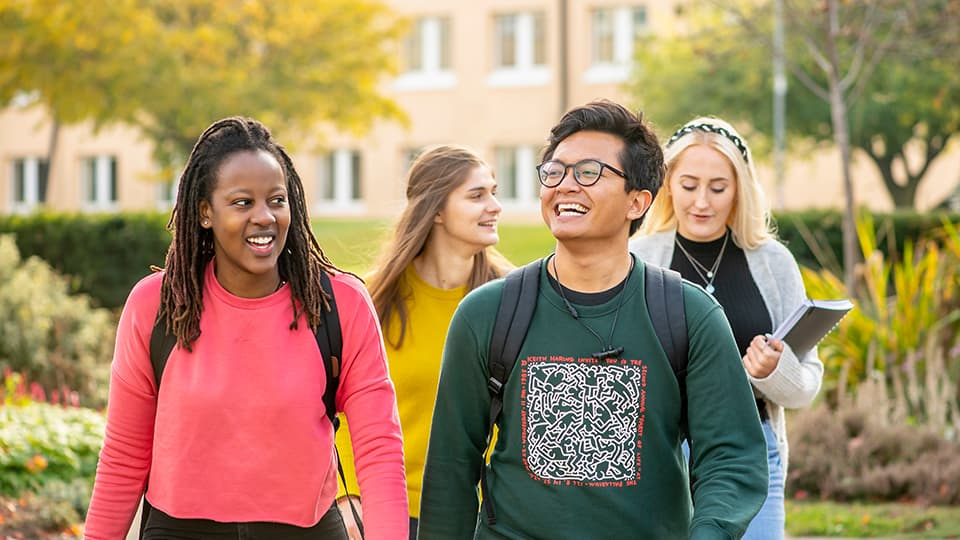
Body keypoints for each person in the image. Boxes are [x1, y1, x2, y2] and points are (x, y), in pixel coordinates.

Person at [418, 100, 767, 539]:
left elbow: (731, 457)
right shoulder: (487, 314)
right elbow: (451, 467)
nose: (565, 186)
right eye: (554, 171)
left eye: (588, 173)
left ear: (637, 201)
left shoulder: (689, 315)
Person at [84, 117, 408, 539]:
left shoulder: (339, 304)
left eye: (276, 200)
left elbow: (379, 450)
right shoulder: (157, 306)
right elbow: (125, 456)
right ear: (205, 212)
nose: (265, 217)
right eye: (242, 203)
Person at [630, 117, 824, 539]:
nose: (702, 201)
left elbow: (807, 384)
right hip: (659, 452)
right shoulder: (638, 258)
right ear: (667, 186)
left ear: (739, 189)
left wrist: (772, 370)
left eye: (718, 187)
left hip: (750, 447)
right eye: (688, 185)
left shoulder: (772, 264)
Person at [334, 144, 512, 540]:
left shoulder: (512, 299)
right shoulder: (371, 298)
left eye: (494, 192)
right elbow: (340, 410)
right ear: (435, 210)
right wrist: (348, 496)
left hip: (485, 516)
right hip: (387, 513)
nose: (495, 206)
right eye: (477, 195)